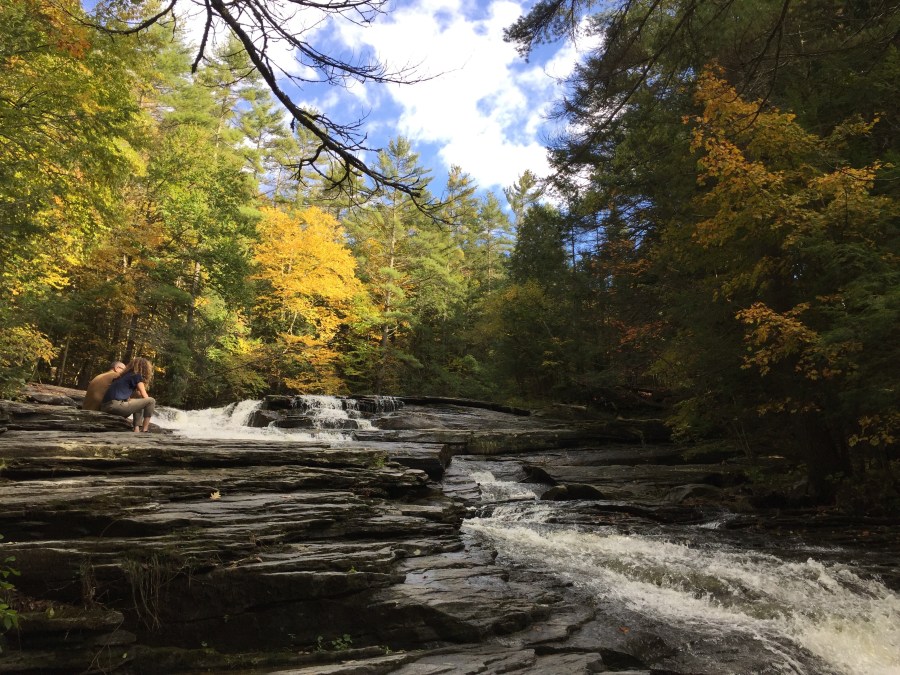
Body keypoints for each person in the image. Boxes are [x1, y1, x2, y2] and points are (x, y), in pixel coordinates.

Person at [101, 357, 156, 433]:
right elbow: (145, 396)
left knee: (139, 402)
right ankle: (145, 429)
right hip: (115, 406)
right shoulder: (136, 376)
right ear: (145, 368)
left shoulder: (122, 377)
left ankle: (136, 429)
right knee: (151, 401)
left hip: (105, 407)